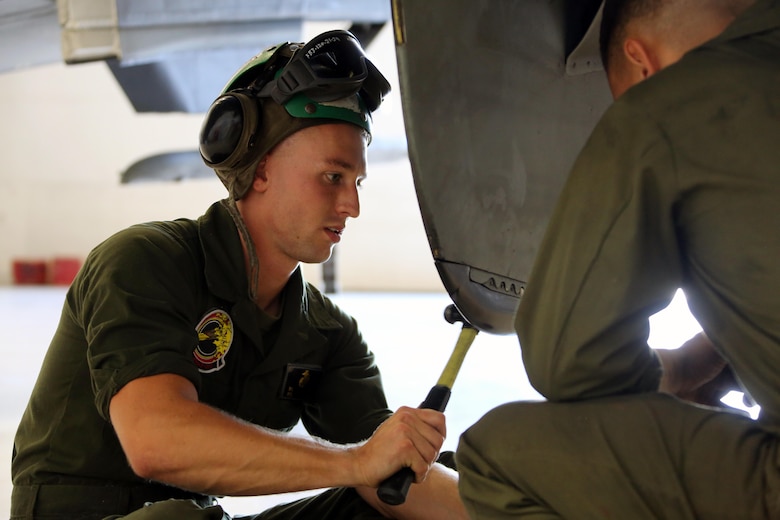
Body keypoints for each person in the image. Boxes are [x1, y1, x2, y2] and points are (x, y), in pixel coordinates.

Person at [11, 30, 466, 520]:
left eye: (356, 182)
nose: (352, 205)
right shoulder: (142, 262)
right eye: (332, 177)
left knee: (419, 496)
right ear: (261, 169)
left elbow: (388, 473)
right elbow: (156, 440)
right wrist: (357, 462)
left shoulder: (324, 333)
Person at [456, 0, 780, 518]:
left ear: (640, 61)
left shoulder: (665, 105)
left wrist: (677, 369)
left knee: (496, 453)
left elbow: (569, 363)